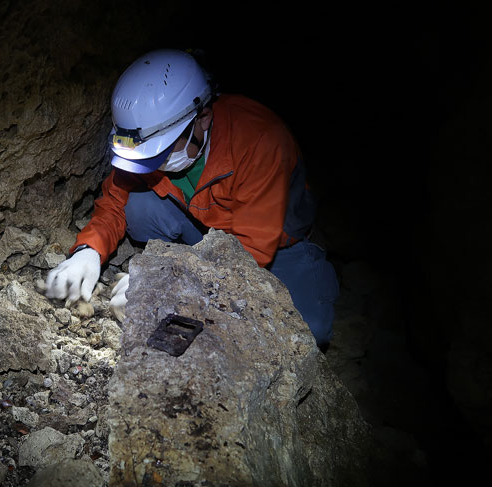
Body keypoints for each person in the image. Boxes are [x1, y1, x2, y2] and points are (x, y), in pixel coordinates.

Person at [46, 49, 338, 348]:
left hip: (273, 245)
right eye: (147, 157)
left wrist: (170, 280)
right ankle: (191, 256)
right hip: (202, 223)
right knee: (137, 208)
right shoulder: (148, 139)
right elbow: (115, 201)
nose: (154, 164)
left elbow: (251, 251)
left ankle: (313, 267)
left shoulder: (261, 141)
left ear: (203, 118)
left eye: (162, 152)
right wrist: (89, 251)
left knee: (309, 330)